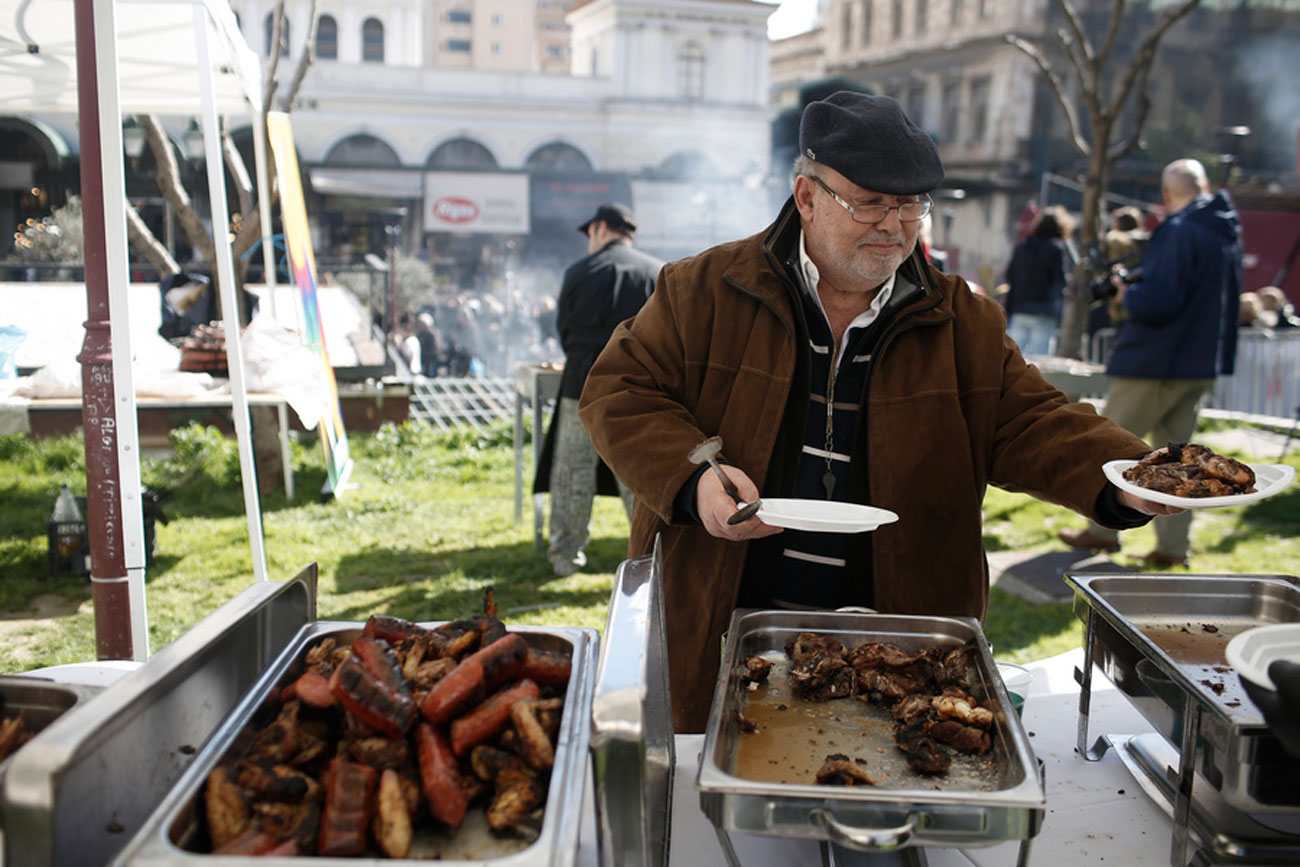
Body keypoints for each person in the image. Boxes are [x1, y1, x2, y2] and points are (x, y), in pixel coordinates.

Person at [577, 92, 1174, 732]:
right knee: (711, 808)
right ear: (806, 196)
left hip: (897, 640)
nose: (893, 225)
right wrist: (695, 479)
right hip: (721, 622)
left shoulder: (961, 320)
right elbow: (619, 389)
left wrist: (1133, 476)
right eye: (869, 203)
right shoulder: (703, 289)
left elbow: (1032, 422)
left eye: (911, 205)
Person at [1059, 158, 1242, 566]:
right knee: (1186, 461)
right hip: (1196, 362)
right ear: (1205, 185)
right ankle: (1173, 548)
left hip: (1157, 360)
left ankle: (1099, 531)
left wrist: (1128, 295)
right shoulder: (1223, 229)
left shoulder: (1179, 231)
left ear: (1166, 194)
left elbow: (1160, 301)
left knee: (1111, 448)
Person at [535, 203, 663, 577]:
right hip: (637, 391)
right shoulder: (655, 271)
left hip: (582, 386)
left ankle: (565, 557)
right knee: (639, 476)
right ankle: (650, 556)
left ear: (600, 229)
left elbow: (564, 330)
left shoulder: (578, 271)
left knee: (571, 474)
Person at [1003, 205, 1076, 356]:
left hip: (1019, 307)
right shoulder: (1056, 248)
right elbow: (1061, 280)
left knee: (1014, 357)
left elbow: (1010, 275)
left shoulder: (1022, 245)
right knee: (1040, 360)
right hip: (1044, 310)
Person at [413, 311, 440, 377]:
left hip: (430, 358)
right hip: (423, 358)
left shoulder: (431, 334)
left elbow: (433, 348)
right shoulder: (419, 334)